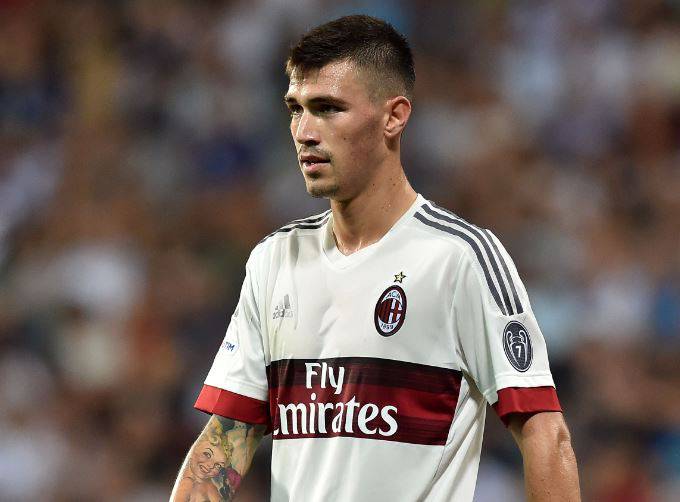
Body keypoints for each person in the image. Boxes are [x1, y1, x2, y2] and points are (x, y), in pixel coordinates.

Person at [170, 14, 580, 502]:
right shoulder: (274, 260)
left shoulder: (459, 258)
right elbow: (227, 439)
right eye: (296, 109)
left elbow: (544, 433)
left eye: (328, 108)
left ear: (394, 117)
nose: (305, 131)